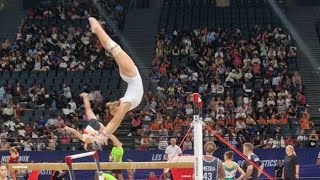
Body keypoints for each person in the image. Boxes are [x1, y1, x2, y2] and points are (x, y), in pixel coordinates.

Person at [87, 17, 143, 134]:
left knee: (114, 48)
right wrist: (104, 135)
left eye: (115, 112)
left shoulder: (125, 103)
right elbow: (115, 121)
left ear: (117, 108)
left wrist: (103, 136)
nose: (118, 114)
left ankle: (97, 28)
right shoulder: (126, 104)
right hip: (131, 77)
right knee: (114, 49)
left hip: (131, 76)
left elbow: (115, 122)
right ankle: (97, 29)